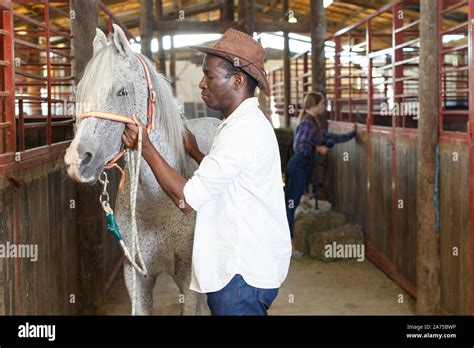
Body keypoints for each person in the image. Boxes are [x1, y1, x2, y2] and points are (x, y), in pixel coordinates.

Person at [121, 28, 291, 316]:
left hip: (239, 278)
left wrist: (146, 147)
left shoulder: (242, 130)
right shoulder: (244, 124)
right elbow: (230, 179)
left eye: (210, 76)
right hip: (249, 271)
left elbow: (187, 201)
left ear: (237, 80)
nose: (201, 83)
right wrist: (197, 154)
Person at [284, 92, 356, 258]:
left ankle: (289, 244)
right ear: (314, 105)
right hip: (298, 167)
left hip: (301, 167)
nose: (324, 107)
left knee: (291, 204)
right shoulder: (307, 124)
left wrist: (352, 134)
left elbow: (330, 137)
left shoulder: (313, 123)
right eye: (322, 104)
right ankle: (289, 246)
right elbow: (299, 147)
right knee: (290, 204)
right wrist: (318, 149)